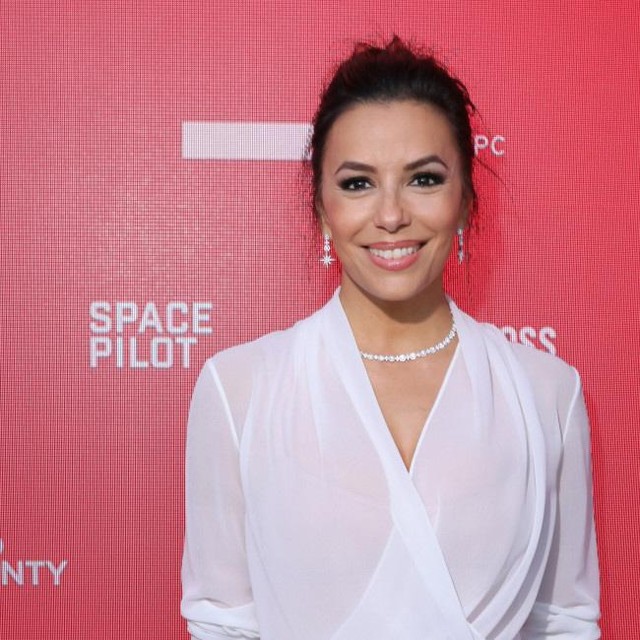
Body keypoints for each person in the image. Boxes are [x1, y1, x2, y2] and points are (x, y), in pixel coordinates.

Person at [181, 38, 601, 640]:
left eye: (423, 179)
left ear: (465, 202)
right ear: (321, 209)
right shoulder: (239, 390)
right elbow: (222, 622)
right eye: (358, 184)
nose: (391, 215)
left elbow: (563, 621)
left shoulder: (547, 394)